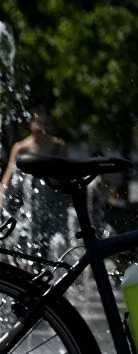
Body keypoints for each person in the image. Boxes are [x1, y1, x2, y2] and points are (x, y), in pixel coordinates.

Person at [0, 108, 71, 262]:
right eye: (38, 122)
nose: (41, 126)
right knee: (29, 247)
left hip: (56, 206)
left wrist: (70, 199)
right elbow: (8, 177)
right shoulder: (21, 148)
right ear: (30, 124)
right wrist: (1, 200)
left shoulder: (59, 146)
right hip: (30, 207)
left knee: (58, 245)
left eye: (44, 123)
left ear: (50, 125)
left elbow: (68, 177)